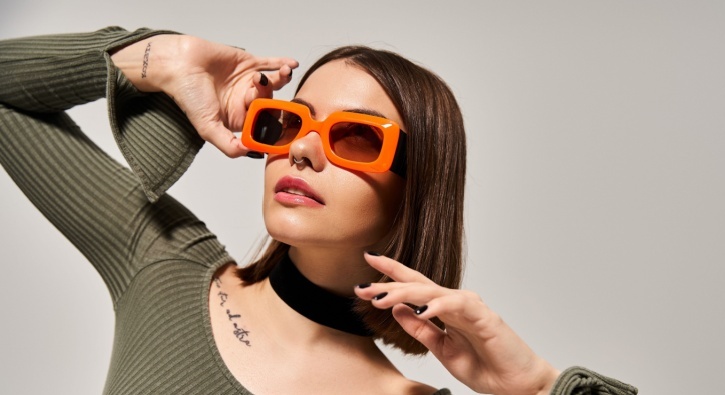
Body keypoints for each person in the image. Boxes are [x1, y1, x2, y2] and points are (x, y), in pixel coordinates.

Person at [0, 27, 637, 394]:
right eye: (287, 121)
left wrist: (538, 387)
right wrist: (158, 56)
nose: (302, 149)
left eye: (355, 136)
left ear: (417, 189)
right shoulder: (163, 267)